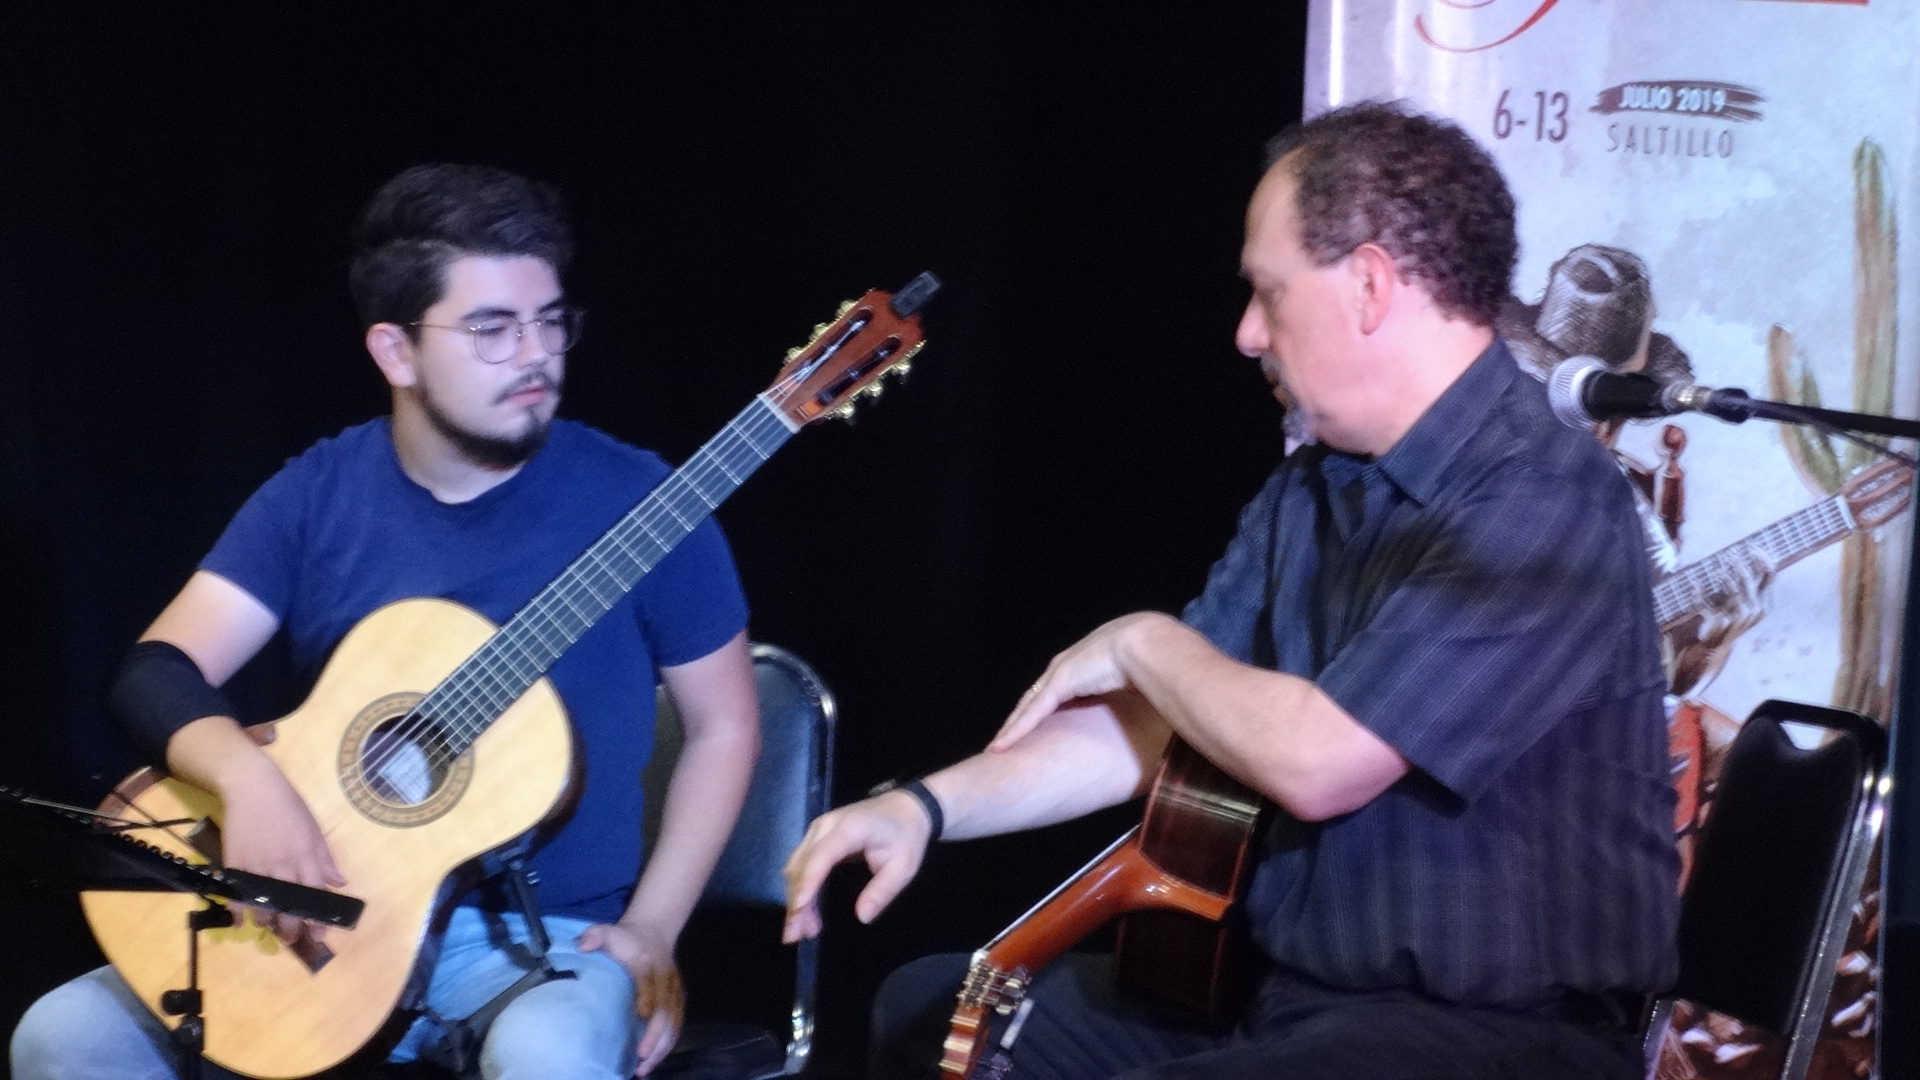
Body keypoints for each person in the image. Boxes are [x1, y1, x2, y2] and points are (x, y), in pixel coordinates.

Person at [785, 102, 1680, 1080]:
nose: (1248, 333)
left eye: (1268, 291)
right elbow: (1164, 726)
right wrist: (924, 808)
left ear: (1370, 285)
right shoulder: (1313, 487)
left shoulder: (1544, 497)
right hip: (1292, 1007)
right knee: (928, 1012)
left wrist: (1140, 640)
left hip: (1497, 1036)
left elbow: (1320, 761)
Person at [11, 164, 761, 1080]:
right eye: (492, 328)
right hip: (314, 913)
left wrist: (655, 926)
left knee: (549, 1053)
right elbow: (156, 670)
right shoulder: (316, 496)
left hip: (547, 942)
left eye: (550, 319)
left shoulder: (647, 500)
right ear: (396, 353)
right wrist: (249, 784)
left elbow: (724, 726)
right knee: (61, 1036)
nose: (536, 355)